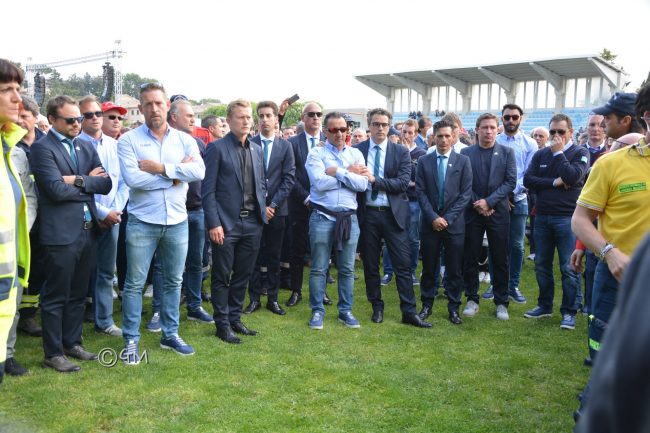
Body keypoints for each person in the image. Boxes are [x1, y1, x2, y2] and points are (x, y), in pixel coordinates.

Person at [570, 84, 650, 417]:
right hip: (617, 280)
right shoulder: (611, 164)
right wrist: (610, 253)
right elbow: (580, 220)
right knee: (607, 364)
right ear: (647, 117)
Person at [118, 82, 205, 363]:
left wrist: (160, 169)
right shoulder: (128, 141)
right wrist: (177, 176)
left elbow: (199, 171)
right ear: (141, 108)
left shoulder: (184, 140)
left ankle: (170, 334)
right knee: (134, 284)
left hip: (177, 221)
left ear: (167, 105)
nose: (154, 108)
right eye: (148, 104)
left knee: (173, 281)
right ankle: (131, 340)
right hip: (142, 221)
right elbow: (133, 179)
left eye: (158, 103)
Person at [30, 95, 112, 372]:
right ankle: (53, 353)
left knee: (78, 294)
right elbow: (54, 190)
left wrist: (75, 180)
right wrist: (88, 183)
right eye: (71, 120)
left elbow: (106, 184)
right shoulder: (42, 148)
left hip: (88, 231)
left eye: (79, 118)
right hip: (59, 234)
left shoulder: (85, 145)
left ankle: (72, 343)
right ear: (52, 119)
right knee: (56, 296)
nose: (78, 124)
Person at [355, 110, 430, 328]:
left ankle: (409, 311)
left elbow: (402, 183)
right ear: (369, 125)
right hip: (367, 214)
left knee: (403, 265)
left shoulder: (400, 151)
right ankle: (376, 307)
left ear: (389, 127)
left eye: (384, 124)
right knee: (370, 264)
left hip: (393, 214)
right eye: (376, 124)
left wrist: (374, 180)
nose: (380, 128)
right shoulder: (357, 150)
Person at [202, 99, 266, 344]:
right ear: (228, 120)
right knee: (222, 275)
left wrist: (263, 210)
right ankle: (222, 324)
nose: (246, 121)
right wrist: (214, 223)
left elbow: (260, 184)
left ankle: (235, 318)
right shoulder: (216, 148)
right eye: (241, 117)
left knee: (243, 274)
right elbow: (208, 191)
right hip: (226, 224)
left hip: (253, 223)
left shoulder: (256, 149)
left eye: (249, 117)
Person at [523, 114, 589, 330]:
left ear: (570, 132)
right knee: (542, 265)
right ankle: (545, 305)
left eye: (561, 131)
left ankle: (569, 311)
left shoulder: (580, 152)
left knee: (568, 267)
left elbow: (572, 177)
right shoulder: (541, 154)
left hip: (567, 218)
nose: (556, 135)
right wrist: (553, 182)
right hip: (542, 216)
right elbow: (528, 180)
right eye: (553, 132)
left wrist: (559, 153)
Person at [305, 112, 368, 330]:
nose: (339, 133)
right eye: (334, 129)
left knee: (347, 268)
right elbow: (319, 183)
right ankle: (317, 310)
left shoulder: (356, 154)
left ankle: (345, 310)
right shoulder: (316, 153)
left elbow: (362, 185)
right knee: (319, 268)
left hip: (349, 219)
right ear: (325, 131)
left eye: (343, 129)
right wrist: (348, 173)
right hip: (322, 216)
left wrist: (337, 172)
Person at [78, 95, 128, 337]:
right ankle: (70, 326)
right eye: (88, 115)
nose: (95, 118)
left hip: (112, 218)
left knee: (106, 272)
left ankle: (104, 321)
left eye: (98, 113)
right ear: (79, 118)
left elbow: (124, 181)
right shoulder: (74, 145)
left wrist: (114, 211)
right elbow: (78, 186)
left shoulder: (115, 145)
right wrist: (101, 212)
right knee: (77, 273)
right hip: (83, 218)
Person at [460, 113, 516, 320]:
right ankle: (472, 298)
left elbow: (510, 182)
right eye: (485, 127)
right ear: (477, 130)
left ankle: (501, 301)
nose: (489, 131)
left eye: (492, 127)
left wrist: (489, 202)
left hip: (497, 212)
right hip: (473, 212)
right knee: (470, 256)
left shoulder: (507, 152)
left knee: (500, 258)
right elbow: (463, 183)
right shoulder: (466, 153)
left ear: (497, 129)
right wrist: (479, 204)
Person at [417, 119, 472, 325]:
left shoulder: (463, 161)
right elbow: (420, 192)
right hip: (430, 224)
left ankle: (454, 307)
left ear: (454, 136)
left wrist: (447, 219)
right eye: (439, 136)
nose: (443, 140)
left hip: (454, 224)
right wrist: (433, 217)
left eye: (447, 136)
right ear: (434, 137)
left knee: (454, 268)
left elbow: (465, 194)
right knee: (429, 267)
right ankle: (426, 304)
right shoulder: (424, 161)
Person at [244, 101, 295, 316]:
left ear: (276, 119)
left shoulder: (285, 146)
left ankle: (273, 299)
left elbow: (288, 179)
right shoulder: (249, 143)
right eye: (261, 116)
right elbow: (245, 178)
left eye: (268, 116)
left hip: (277, 211)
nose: (264, 120)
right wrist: (260, 206)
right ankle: (254, 298)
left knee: (274, 256)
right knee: (254, 256)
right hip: (253, 211)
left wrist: (272, 205)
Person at [167, 99, 213, 324]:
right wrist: (180, 168)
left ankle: (194, 306)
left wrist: (181, 170)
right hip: (172, 212)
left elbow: (203, 175)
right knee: (166, 265)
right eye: (189, 115)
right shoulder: (164, 144)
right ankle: (162, 309)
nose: (194, 119)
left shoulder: (198, 144)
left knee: (196, 262)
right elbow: (160, 175)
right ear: (174, 117)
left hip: (197, 210)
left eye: (194, 115)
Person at [0, 59, 31, 383]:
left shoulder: (7, 148)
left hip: (5, 293)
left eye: (18, 89)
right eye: (7, 89)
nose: (17, 98)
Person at [490, 104, 537, 304]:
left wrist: (509, 192)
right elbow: (490, 173)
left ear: (520, 118)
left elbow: (528, 174)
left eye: (514, 117)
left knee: (517, 245)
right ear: (502, 118)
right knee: (495, 243)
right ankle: (495, 284)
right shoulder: (494, 141)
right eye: (507, 117)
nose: (510, 121)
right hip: (496, 201)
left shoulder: (530, 143)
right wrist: (501, 196)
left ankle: (513, 285)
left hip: (519, 200)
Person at [286, 103, 328, 307]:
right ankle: (296, 290)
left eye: (319, 114)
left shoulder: (329, 141)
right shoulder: (293, 143)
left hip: (325, 205)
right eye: (311, 114)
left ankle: (322, 292)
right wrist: (306, 198)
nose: (316, 117)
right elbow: (290, 174)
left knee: (322, 250)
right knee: (297, 250)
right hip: (299, 205)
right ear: (303, 118)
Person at [381, 119, 426, 285]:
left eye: (410, 132)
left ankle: (411, 271)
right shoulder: (393, 150)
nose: (406, 135)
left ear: (416, 134)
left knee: (412, 238)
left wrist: (407, 180)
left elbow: (419, 178)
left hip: (413, 200)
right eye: (404, 132)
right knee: (390, 235)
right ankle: (388, 271)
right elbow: (390, 175)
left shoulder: (421, 153)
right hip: (395, 199)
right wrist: (404, 182)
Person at [14, 96, 44, 337]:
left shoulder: (47, 143)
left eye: (24, 116)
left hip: (45, 218)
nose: (19, 121)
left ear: (35, 117)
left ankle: (29, 314)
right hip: (18, 218)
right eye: (17, 116)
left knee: (38, 268)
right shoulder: (10, 145)